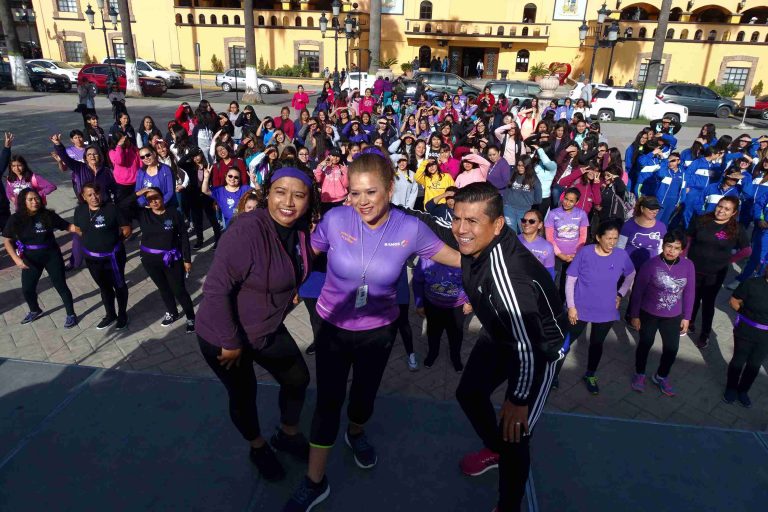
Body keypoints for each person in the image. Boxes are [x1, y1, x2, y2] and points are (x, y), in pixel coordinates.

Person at [283, 154, 460, 511]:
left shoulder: (410, 228)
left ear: (391, 188)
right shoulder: (336, 219)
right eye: (354, 192)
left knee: (363, 399)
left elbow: (456, 257)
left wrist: (498, 263)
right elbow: (304, 257)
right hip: (331, 327)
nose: (361, 201)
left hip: (378, 333)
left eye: (371, 192)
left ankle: (357, 432)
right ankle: (315, 482)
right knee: (328, 402)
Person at [412, 182, 566, 512]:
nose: (461, 230)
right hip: (502, 333)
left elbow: (527, 345)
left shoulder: (506, 275)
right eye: (457, 219)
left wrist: (518, 398)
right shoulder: (471, 239)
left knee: (516, 433)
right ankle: (495, 449)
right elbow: (422, 219)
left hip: (539, 350)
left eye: (472, 222)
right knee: (469, 394)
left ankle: (508, 505)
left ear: (497, 225)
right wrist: (377, 204)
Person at [197, 168, 319, 481]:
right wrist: (230, 341)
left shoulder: (301, 230)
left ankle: (287, 434)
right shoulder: (248, 230)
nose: (288, 201)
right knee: (243, 394)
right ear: (268, 194)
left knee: (297, 378)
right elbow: (215, 289)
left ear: (309, 200)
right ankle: (258, 446)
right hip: (224, 336)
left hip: (264, 330)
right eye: (280, 192)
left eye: (299, 194)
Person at [561, 221, 635, 394]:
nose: (612, 242)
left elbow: (631, 274)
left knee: (597, 344)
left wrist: (620, 294)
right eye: (608, 238)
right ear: (598, 237)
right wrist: (571, 306)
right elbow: (570, 279)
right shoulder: (585, 253)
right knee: (565, 343)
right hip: (579, 309)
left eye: (615, 238)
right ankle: (553, 373)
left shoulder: (621, 255)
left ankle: (590, 374)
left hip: (606, 310)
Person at [629, 230, 695, 396]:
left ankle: (661, 376)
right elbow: (637, 291)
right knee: (645, 344)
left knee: (672, 349)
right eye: (668, 246)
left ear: (682, 250)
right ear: (663, 245)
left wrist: (687, 317)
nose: (671, 251)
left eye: (676, 248)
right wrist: (634, 315)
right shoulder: (650, 264)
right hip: (649, 313)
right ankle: (640, 374)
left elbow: (689, 292)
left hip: (673, 316)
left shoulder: (688, 266)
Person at [2, 189, 79, 328]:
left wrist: (87, 229)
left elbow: (69, 227)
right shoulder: (16, 219)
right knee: (27, 289)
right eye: (30, 199)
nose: (34, 202)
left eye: (36, 198)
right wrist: (16, 259)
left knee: (61, 285)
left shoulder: (48, 215)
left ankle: (71, 314)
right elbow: (7, 241)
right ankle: (35, 310)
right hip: (30, 258)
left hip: (51, 255)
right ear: (23, 202)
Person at [686, 196, 751, 348]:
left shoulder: (736, 228)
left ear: (733, 213)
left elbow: (747, 250)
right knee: (692, 298)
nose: (721, 210)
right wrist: (684, 258)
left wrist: (728, 260)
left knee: (708, 303)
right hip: (694, 268)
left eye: (727, 209)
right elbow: (688, 238)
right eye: (720, 206)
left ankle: (705, 334)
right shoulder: (702, 220)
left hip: (715, 273)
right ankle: (689, 323)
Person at [136, 187, 195, 332]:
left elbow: (184, 237)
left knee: (179, 289)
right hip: (150, 260)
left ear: (163, 197)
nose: (154, 201)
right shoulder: (143, 214)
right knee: (163, 288)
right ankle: (172, 313)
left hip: (172, 258)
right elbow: (123, 205)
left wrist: (187, 259)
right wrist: (140, 192)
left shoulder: (174, 213)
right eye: (149, 199)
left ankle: (191, 317)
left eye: (156, 197)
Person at [74, 183, 131, 330]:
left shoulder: (112, 208)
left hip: (113, 257)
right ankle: (110, 314)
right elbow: (80, 230)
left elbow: (126, 229)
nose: (94, 197)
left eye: (96, 193)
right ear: (83, 197)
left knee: (119, 285)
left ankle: (122, 314)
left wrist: (114, 243)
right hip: (93, 259)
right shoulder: (79, 210)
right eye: (90, 195)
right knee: (104, 287)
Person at [413, 255, 470, 372]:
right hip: (432, 305)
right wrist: (419, 304)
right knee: (433, 332)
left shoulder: (465, 257)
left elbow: (473, 280)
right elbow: (417, 281)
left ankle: (455, 357)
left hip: (457, 307)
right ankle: (433, 353)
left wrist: (469, 302)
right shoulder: (425, 257)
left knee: (455, 334)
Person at [724, 268, 768, 408]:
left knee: (754, 365)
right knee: (738, 360)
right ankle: (731, 388)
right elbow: (733, 301)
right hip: (746, 330)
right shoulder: (752, 283)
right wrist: (745, 315)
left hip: (765, 336)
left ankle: (743, 390)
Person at [545, 188, 589, 302]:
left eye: (571, 201)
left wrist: (576, 254)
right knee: (552, 281)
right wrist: (559, 254)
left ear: (577, 202)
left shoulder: (582, 214)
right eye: (566, 199)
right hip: (556, 255)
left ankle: (564, 306)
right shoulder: (553, 214)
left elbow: (583, 236)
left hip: (574, 256)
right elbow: (549, 237)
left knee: (568, 283)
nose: (567, 202)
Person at [3, 133, 57, 208]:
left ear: (24, 165)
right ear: (10, 167)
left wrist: (37, 195)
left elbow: (51, 186)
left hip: (35, 209)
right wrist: (14, 199)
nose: (16, 168)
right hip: (20, 211)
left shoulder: (33, 178)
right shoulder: (10, 179)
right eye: (14, 166)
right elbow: (8, 192)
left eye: (19, 165)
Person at [201, 164, 251, 229]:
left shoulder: (245, 189)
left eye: (236, 177)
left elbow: (260, 194)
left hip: (245, 225)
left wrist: (255, 182)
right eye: (230, 176)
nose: (233, 178)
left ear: (239, 179)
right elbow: (205, 190)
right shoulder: (219, 190)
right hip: (229, 226)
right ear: (225, 176)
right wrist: (206, 178)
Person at [518, 209, 555, 279]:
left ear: (540, 225)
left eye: (531, 221)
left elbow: (550, 274)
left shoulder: (547, 247)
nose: (526, 223)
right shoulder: (513, 241)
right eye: (524, 220)